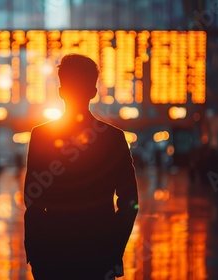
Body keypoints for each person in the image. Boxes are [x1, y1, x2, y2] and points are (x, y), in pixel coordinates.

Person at [24, 54, 139, 280]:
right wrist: (113, 248)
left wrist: (36, 256)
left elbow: (32, 200)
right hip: (98, 255)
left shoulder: (42, 136)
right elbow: (129, 201)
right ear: (93, 92)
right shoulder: (113, 138)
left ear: (61, 91)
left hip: (54, 256)